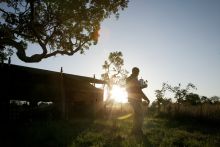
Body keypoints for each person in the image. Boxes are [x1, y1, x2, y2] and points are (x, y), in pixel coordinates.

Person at [126, 67, 150, 136]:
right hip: (135, 99)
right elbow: (138, 91)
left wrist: (141, 87)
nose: (138, 74)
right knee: (140, 115)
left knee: (137, 115)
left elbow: (132, 89)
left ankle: (134, 131)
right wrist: (146, 98)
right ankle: (138, 131)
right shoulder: (134, 79)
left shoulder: (129, 79)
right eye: (138, 72)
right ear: (136, 72)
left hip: (131, 98)